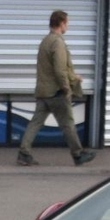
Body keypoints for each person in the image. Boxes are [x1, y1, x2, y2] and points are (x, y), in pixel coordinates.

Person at [17, 9, 94, 167]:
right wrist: (66, 88)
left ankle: (24, 153)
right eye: (67, 22)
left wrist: (73, 76)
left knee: (35, 123)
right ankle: (78, 154)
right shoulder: (57, 42)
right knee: (68, 123)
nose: (68, 26)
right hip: (56, 92)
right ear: (61, 23)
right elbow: (60, 70)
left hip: (43, 91)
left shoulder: (45, 41)